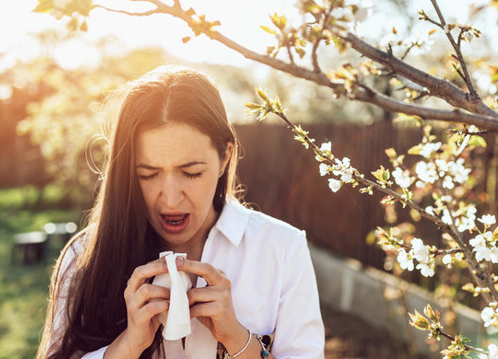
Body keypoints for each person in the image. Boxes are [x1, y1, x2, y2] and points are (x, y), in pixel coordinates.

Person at [36, 67, 325, 359]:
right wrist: (128, 346)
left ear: (225, 157)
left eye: (191, 173)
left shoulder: (282, 249)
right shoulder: (85, 255)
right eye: (148, 174)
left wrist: (238, 340)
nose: (171, 198)